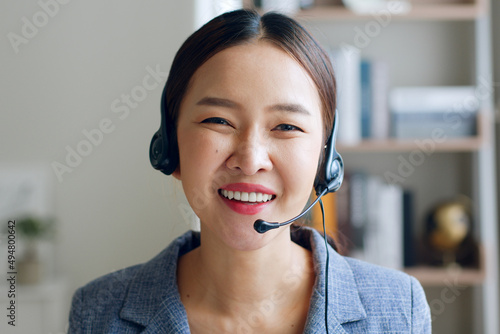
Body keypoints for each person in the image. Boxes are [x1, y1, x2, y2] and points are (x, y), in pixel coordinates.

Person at [68, 9, 431, 333]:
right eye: (218, 120)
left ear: (326, 158)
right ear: (170, 146)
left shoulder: (399, 310)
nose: (251, 158)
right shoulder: (99, 313)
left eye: (286, 126)